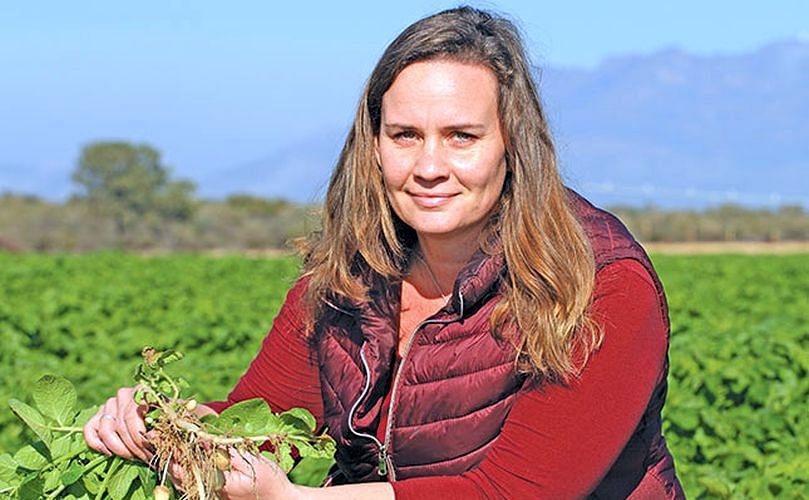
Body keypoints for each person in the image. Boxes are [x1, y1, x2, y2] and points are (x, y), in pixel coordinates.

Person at [84, 6, 684, 499]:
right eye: (405, 136)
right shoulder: (348, 278)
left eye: (461, 137)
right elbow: (267, 426)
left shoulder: (600, 283)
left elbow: (516, 491)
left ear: (513, 145)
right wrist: (168, 430)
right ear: (373, 145)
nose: (428, 167)